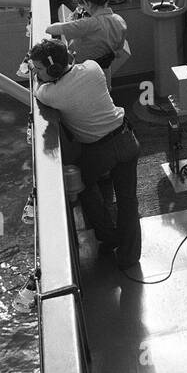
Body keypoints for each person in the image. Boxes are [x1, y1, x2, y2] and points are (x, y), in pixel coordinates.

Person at [28, 38, 141, 268]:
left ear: (53, 68)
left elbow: (37, 90)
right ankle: (130, 257)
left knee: (85, 188)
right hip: (126, 138)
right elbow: (75, 67)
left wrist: (39, 77)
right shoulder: (93, 68)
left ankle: (109, 238)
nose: (36, 72)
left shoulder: (52, 94)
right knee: (128, 200)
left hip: (98, 151)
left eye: (38, 68)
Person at [46, 0, 129, 84]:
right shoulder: (119, 20)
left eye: (81, 3)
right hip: (105, 74)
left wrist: (74, 22)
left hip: (85, 75)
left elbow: (50, 29)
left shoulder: (88, 24)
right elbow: (118, 52)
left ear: (87, 3)